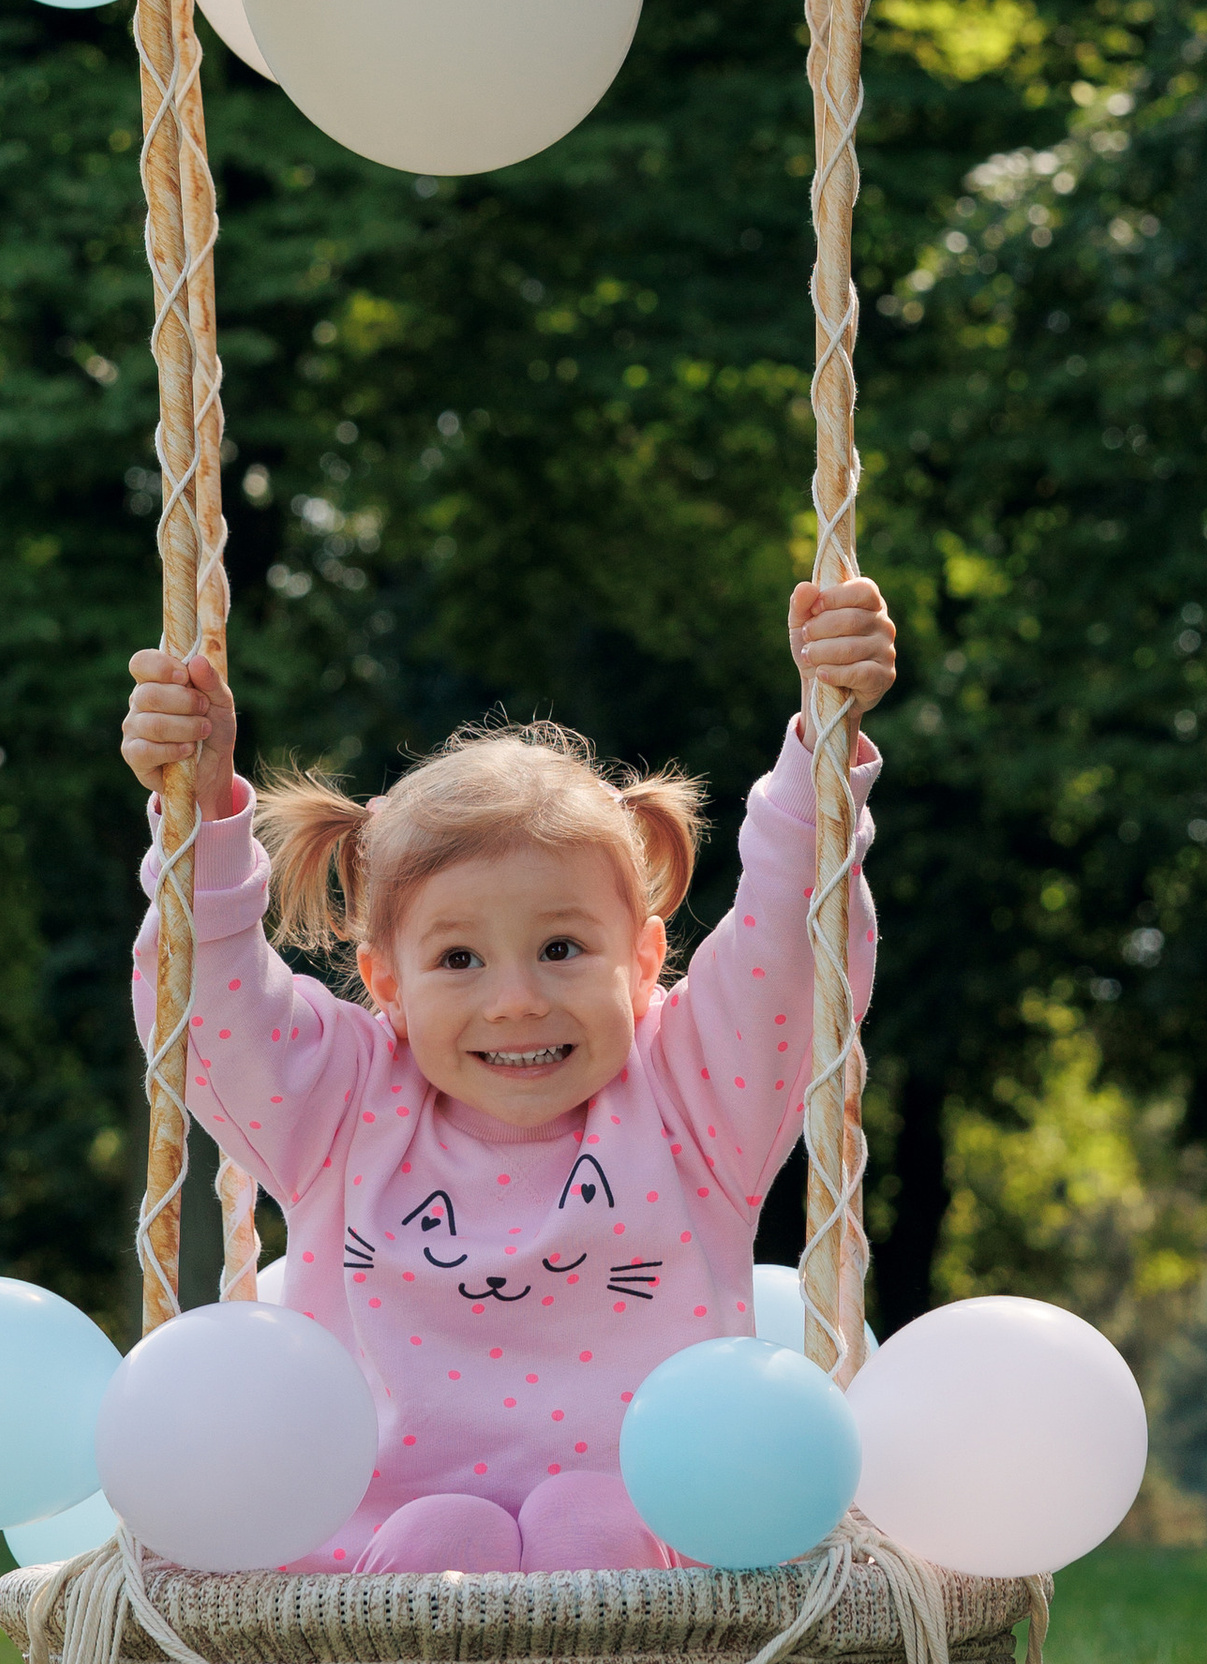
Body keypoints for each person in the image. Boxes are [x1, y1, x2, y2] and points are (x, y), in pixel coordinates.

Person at [122, 578, 898, 1573]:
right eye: (459, 960)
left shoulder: (689, 1097)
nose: (517, 1000)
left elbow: (793, 945)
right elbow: (209, 1001)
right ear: (383, 981)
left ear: (644, 956)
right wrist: (202, 813)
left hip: (659, 1565)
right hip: (363, 1578)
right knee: (436, 1541)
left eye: (563, 948)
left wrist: (818, 751)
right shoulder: (343, 1105)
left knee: (594, 1523)